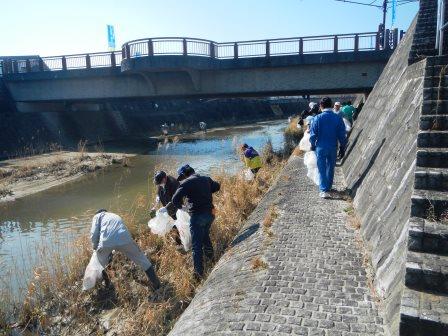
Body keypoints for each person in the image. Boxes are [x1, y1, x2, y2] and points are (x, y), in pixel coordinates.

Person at [164, 164, 220, 279]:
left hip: (197, 216)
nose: (182, 180)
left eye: (182, 177)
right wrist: (204, 193)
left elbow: (175, 200)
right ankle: (211, 259)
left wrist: (183, 207)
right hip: (210, 214)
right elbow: (217, 186)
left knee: (196, 246)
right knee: (205, 235)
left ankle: (198, 274)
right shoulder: (206, 179)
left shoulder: (186, 183)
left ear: (184, 174)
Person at [90, 209, 160, 290]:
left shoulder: (97, 216)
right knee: (142, 259)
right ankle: (156, 285)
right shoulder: (114, 215)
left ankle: (107, 285)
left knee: (101, 263)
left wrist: (96, 249)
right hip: (124, 238)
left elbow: (94, 235)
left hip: (106, 242)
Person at [309, 97, 347, 199]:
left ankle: (323, 190)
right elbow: (342, 135)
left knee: (322, 168)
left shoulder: (317, 118)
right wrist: (343, 147)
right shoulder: (337, 118)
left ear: (321, 106)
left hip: (320, 147)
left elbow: (312, 135)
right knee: (330, 167)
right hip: (333, 147)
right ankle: (328, 187)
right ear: (331, 105)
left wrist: (312, 145)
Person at [152, 171, 183, 247]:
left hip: (176, 208)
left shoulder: (174, 183)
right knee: (172, 224)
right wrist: (158, 197)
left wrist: (166, 208)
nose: (159, 184)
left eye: (160, 182)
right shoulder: (161, 181)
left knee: (178, 223)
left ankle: (181, 242)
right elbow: (159, 190)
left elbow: (176, 199)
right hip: (168, 208)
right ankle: (177, 240)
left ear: (165, 178)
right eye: (158, 183)